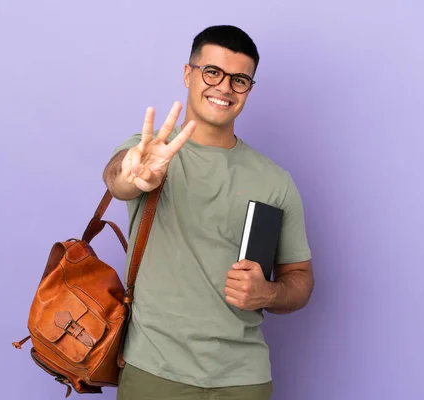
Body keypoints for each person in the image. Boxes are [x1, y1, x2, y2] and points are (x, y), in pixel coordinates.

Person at [103, 25, 314, 400]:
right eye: (212, 72)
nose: (224, 87)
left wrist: (268, 293)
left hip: (243, 379)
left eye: (240, 79)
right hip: (154, 370)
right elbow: (117, 181)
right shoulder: (150, 150)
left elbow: (300, 280)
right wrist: (134, 174)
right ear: (189, 74)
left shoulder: (276, 181)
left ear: (249, 88)